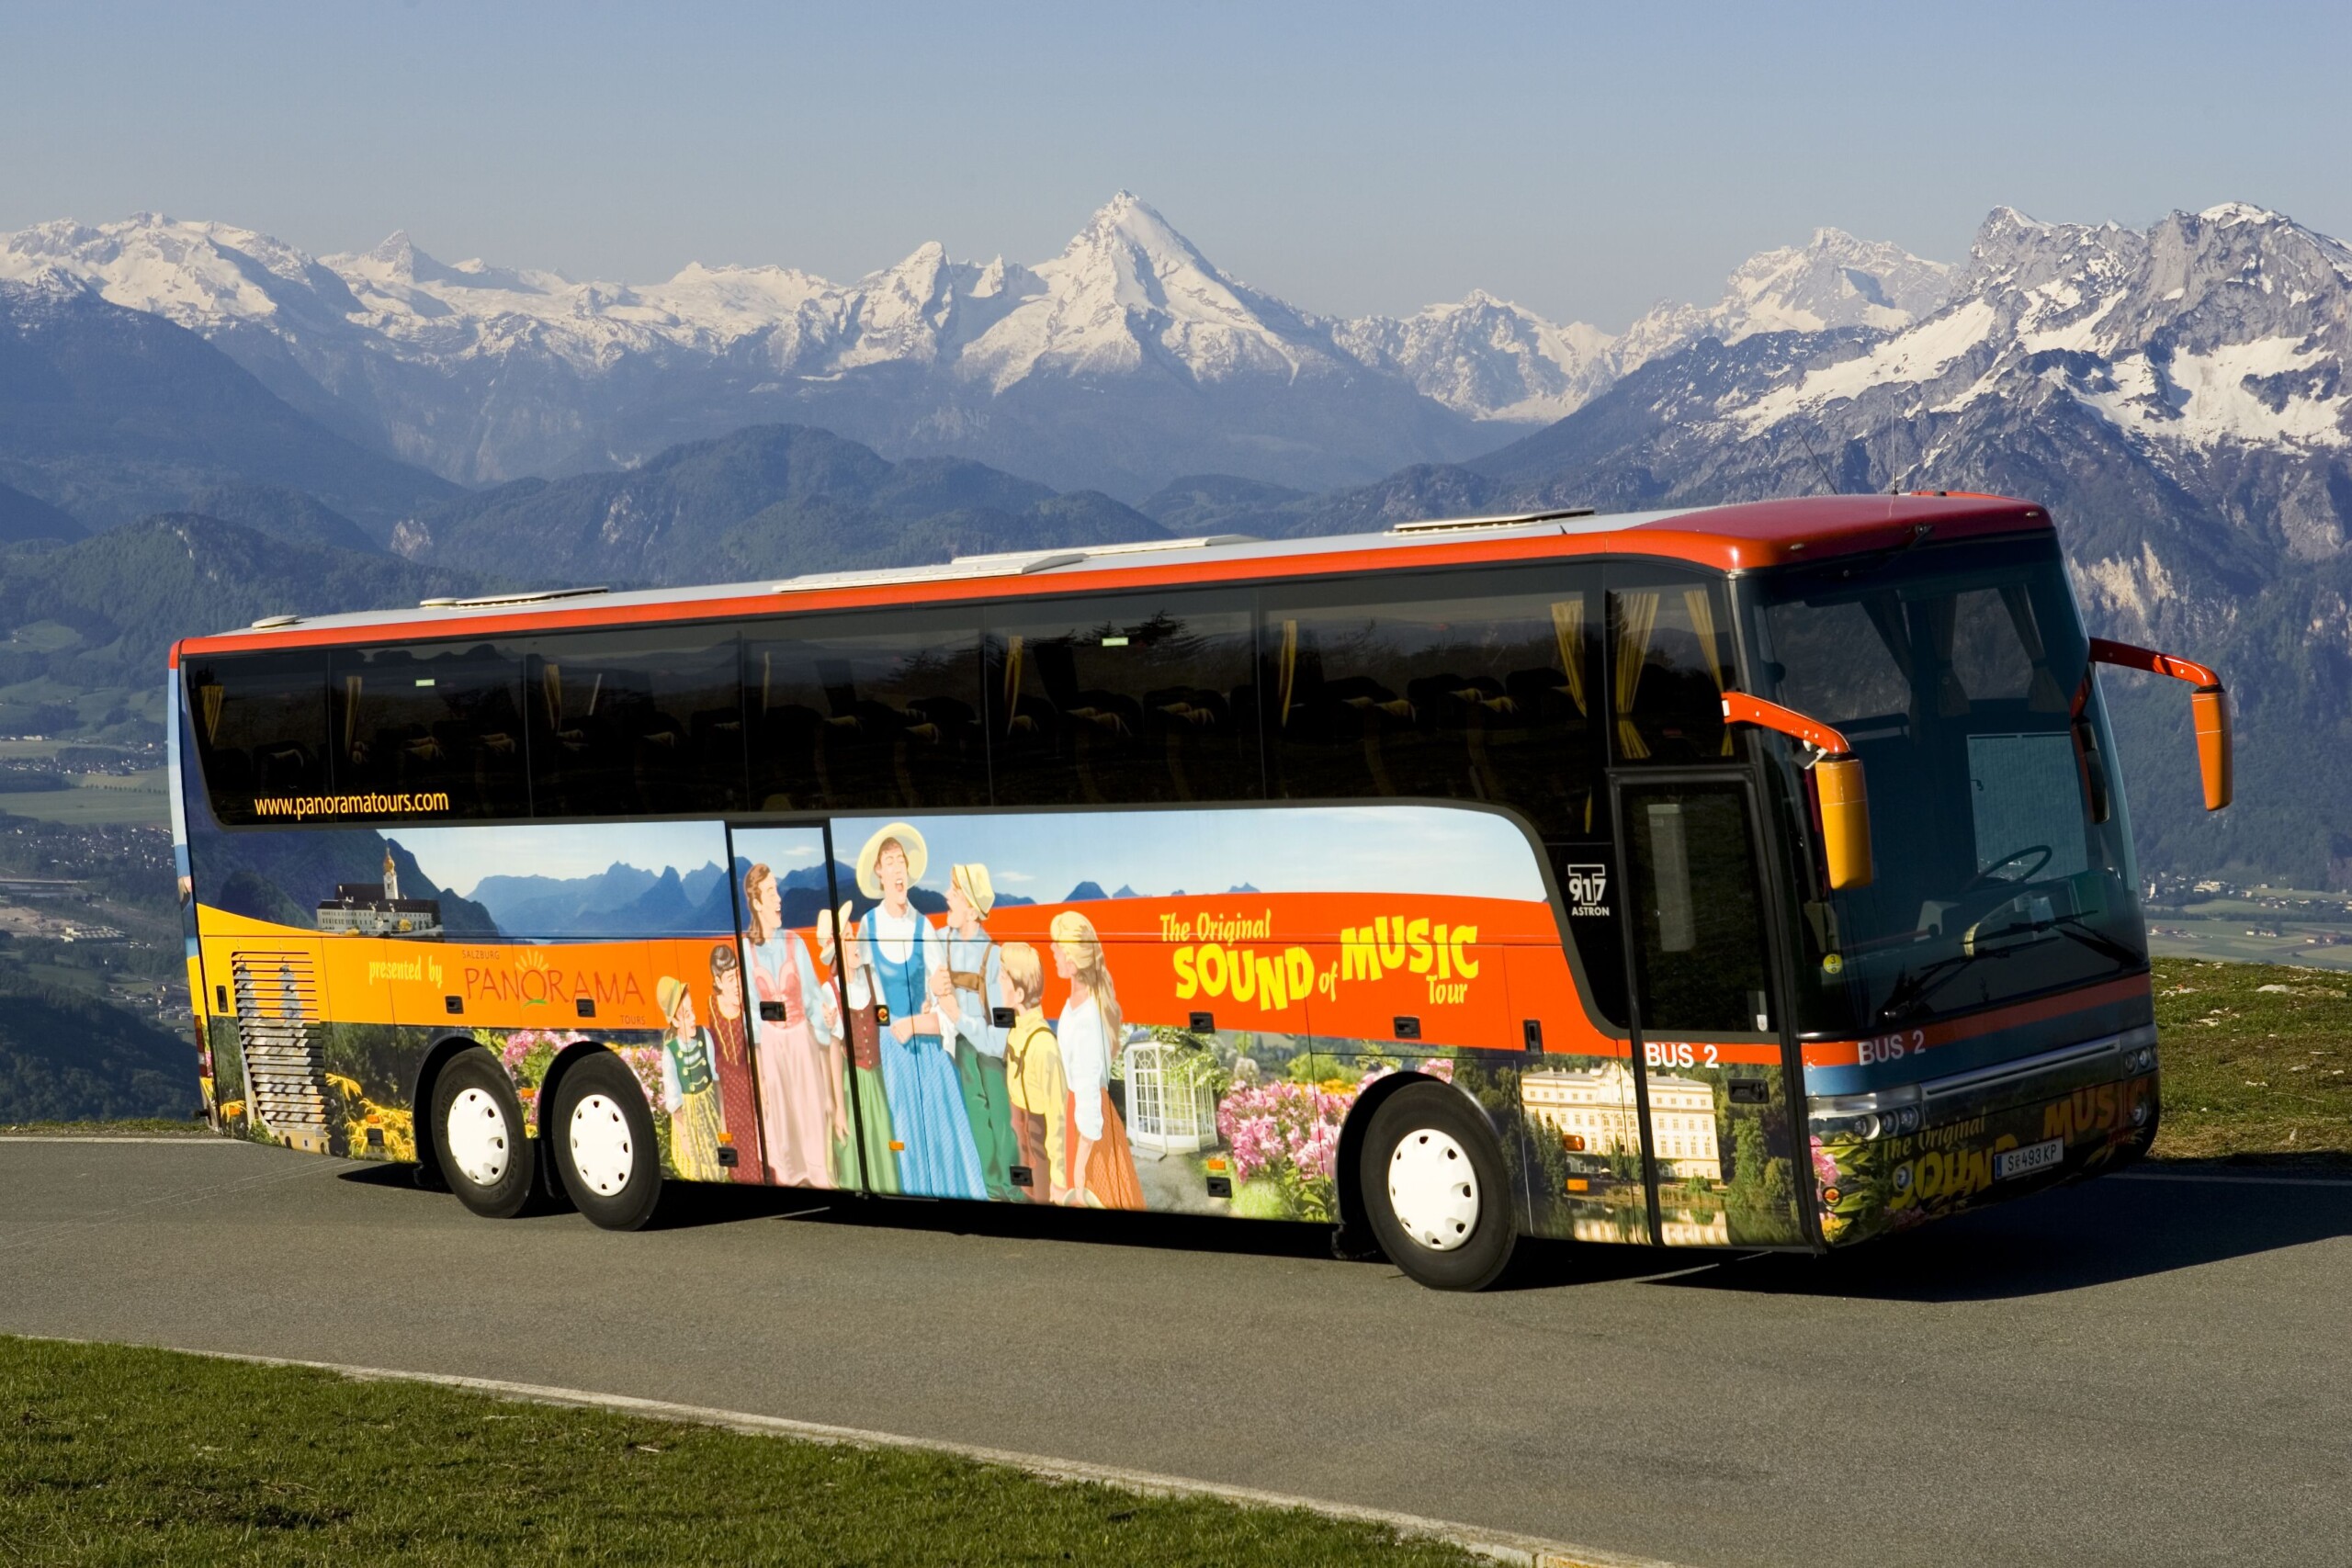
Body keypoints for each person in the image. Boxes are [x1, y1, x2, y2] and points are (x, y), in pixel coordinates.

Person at [842, 824, 985, 1201]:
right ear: (879, 873)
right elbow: (861, 999)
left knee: (943, 1136)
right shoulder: (868, 926)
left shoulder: (925, 929)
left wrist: (919, 1018)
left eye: (901, 861)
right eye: (889, 862)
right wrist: (854, 971)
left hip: (930, 1053)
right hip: (894, 1055)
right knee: (906, 1132)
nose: (898, 869)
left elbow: (943, 1003)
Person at [743, 863, 843, 1189]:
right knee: (783, 1128)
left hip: (801, 1043)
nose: (779, 899)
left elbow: (814, 1000)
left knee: (811, 1114)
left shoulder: (795, 941)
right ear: (757, 902)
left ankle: (818, 1176)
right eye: (771, 891)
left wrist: (828, 1020)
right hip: (772, 1049)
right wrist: (760, 1080)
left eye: (777, 890)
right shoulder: (746, 950)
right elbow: (754, 1025)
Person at [1048, 908, 1144, 1210]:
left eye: (1058, 948)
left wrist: (1078, 1171)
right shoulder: (1074, 1004)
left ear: (1073, 960)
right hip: (1076, 1112)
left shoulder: (1088, 1016)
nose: (1052, 951)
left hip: (1088, 1128)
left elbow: (1088, 1091)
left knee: (1095, 1198)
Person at [935, 863, 1019, 1201]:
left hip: (988, 1060)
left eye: (953, 893)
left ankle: (1007, 1191)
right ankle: (987, 1189)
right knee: (971, 1127)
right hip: (956, 1056)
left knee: (999, 1123)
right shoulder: (941, 941)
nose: (945, 897)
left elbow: (998, 1040)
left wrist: (956, 1014)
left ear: (971, 908)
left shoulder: (994, 956)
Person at [819, 903, 896, 1193]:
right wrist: (839, 1108)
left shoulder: (870, 976)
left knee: (883, 1136)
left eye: (852, 936)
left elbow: (884, 1021)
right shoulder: (832, 992)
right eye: (848, 938)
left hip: (878, 1077)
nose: (855, 944)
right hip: (854, 1082)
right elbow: (834, 1052)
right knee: (857, 1143)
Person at [998, 941, 1066, 1203]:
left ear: (1019, 994)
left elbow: (1057, 1120)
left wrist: (1059, 1181)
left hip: (1043, 1174)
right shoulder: (1016, 1031)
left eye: (1003, 977)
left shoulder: (1043, 1045)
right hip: (1025, 1166)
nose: (997, 983)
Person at [656, 976, 727, 1181]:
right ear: (675, 1021)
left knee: (718, 1163)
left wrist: (723, 1124)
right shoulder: (671, 1052)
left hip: (709, 1110)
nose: (693, 1018)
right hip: (688, 1117)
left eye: (692, 1011)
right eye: (686, 1015)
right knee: (699, 1168)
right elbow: (675, 1105)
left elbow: (715, 1079)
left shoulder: (705, 1036)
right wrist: (687, 1142)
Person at [705, 942, 763, 1183]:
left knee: (755, 1139)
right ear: (718, 982)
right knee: (736, 1140)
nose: (737, 984)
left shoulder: (747, 1007)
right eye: (730, 979)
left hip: (749, 1083)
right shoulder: (710, 1007)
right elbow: (714, 1059)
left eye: (737, 976)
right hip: (728, 1090)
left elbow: (757, 1050)